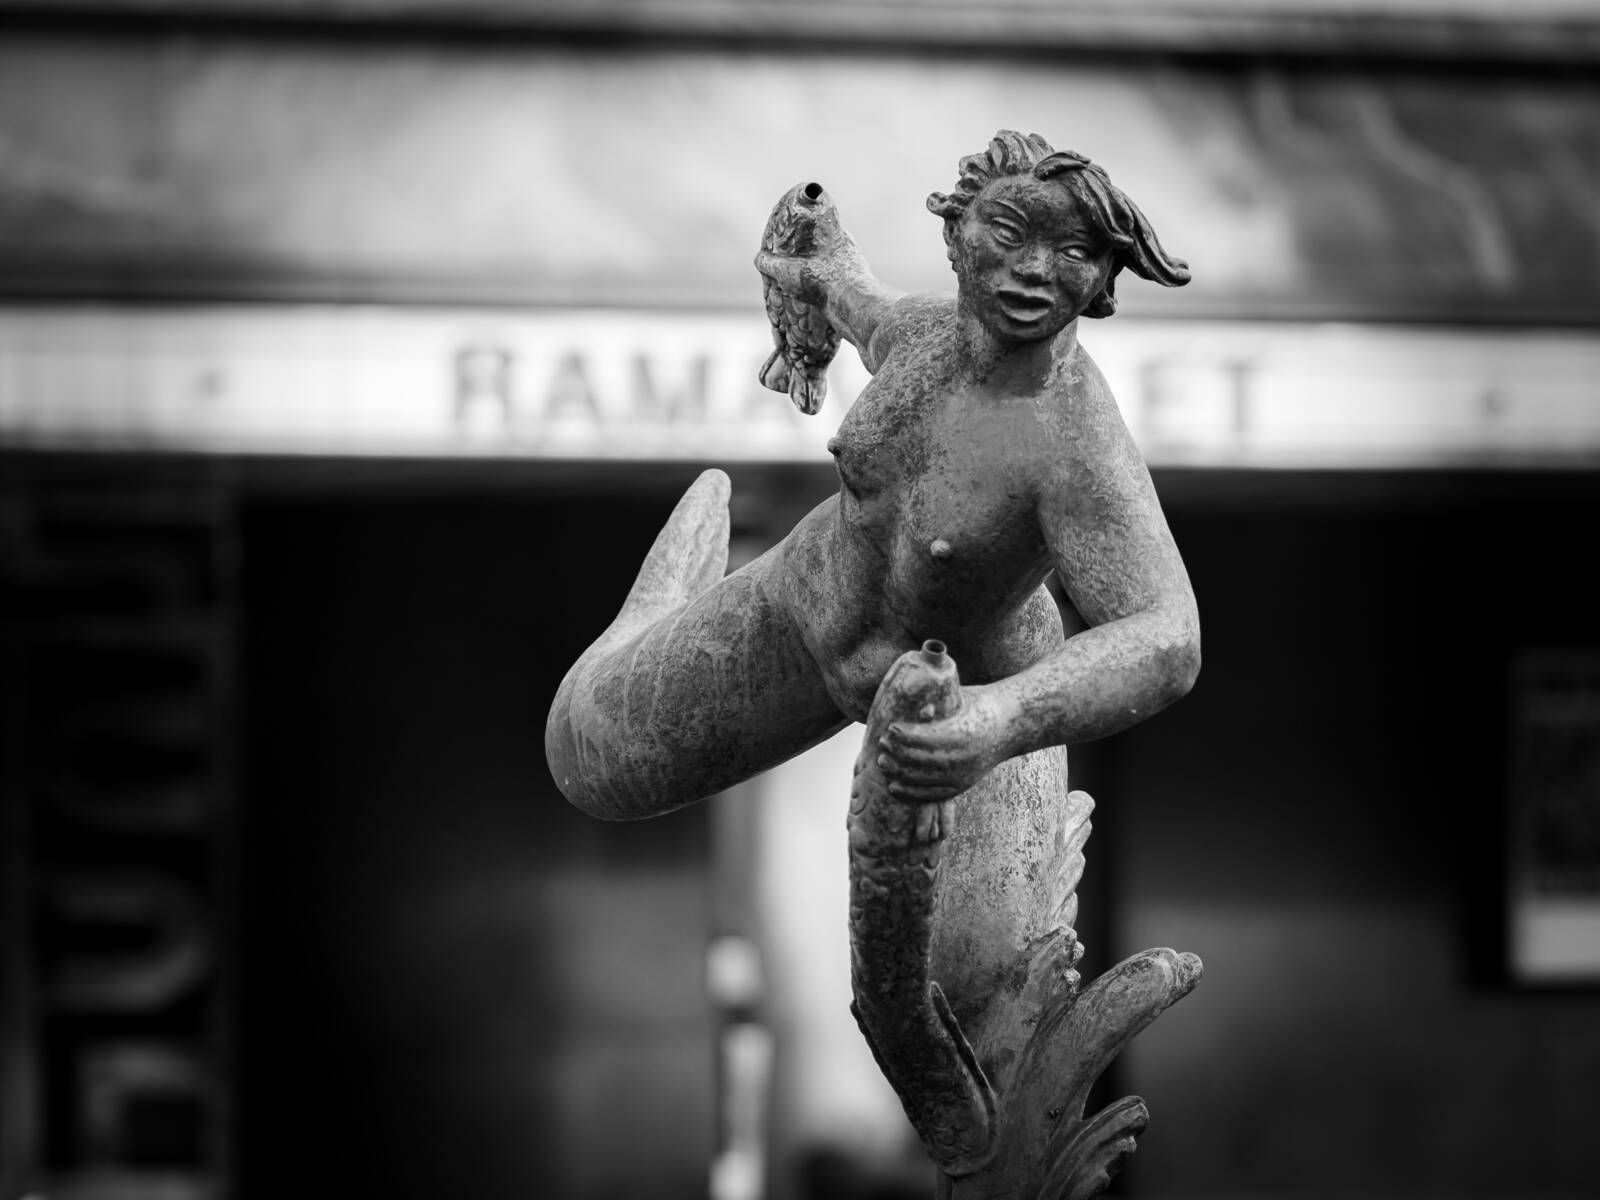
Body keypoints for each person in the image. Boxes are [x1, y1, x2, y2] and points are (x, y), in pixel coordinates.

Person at [545, 131, 1199, 839]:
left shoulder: (1076, 440)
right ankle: (650, 616)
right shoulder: (921, 334)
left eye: (1073, 252)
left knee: (968, 920)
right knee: (588, 755)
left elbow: (1169, 635)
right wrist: (809, 257)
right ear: (957, 233)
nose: (1035, 269)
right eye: (1009, 233)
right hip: (800, 611)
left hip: (975, 694)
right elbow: (837, 282)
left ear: (1105, 279)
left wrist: (1002, 718)